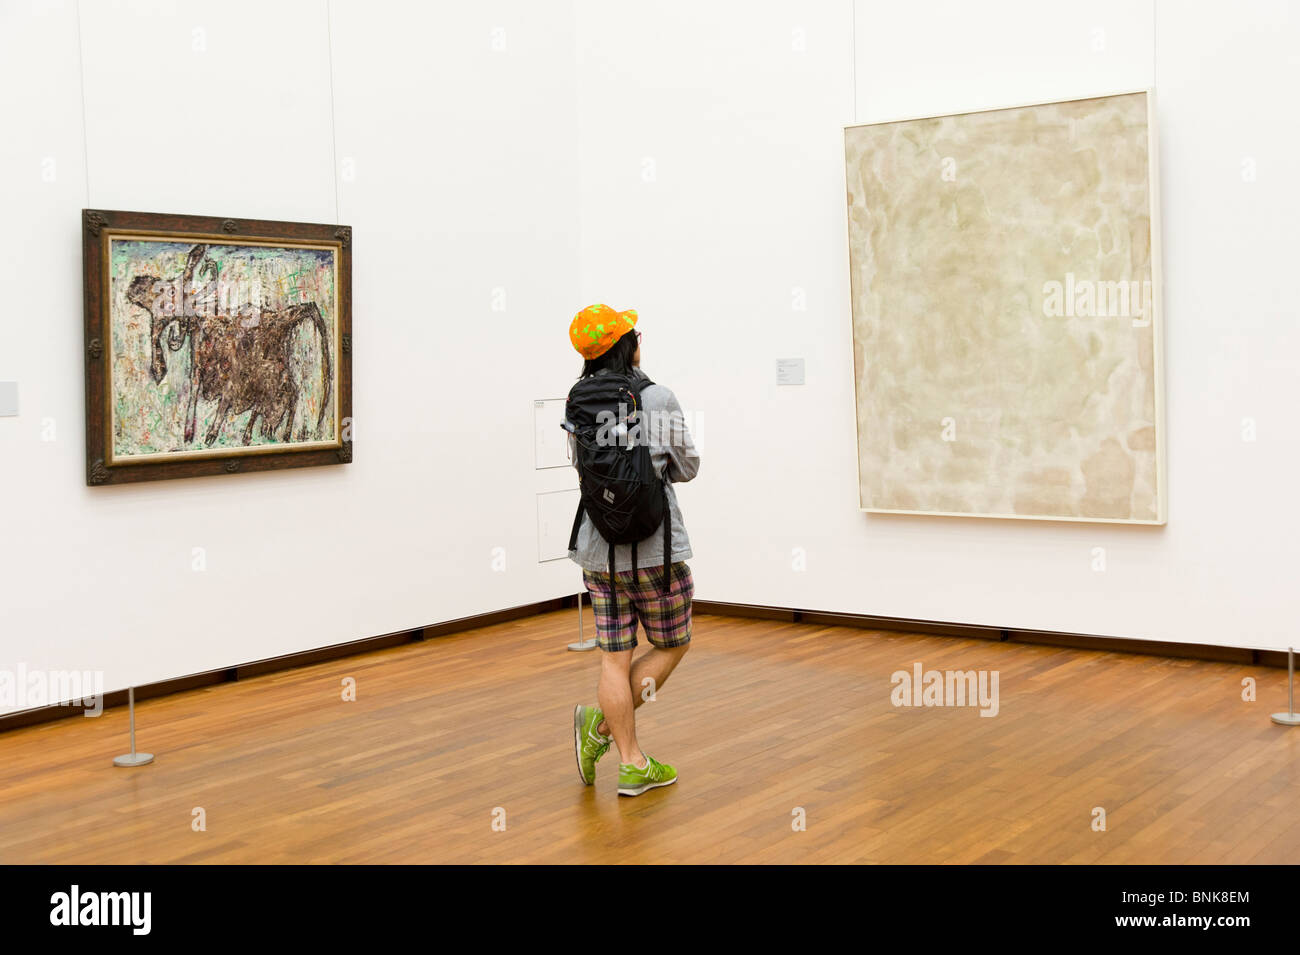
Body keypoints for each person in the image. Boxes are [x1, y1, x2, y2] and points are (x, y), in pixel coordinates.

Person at [566, 304, 700, 797]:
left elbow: (582, 469)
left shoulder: (575, 400)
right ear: (629, 345)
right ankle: (606, 736)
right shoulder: (656, 397)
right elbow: (687, 467)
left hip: (598, 549)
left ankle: (628, 758)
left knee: (612, 659)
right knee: (673, 642)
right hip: (654, 551)